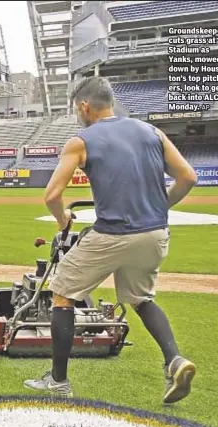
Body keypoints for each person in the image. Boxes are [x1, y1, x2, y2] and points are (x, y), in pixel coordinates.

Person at [24, 77, 198, 403]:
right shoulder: (152, 133)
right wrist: (160, 205)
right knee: (141, 299)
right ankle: (174, 360)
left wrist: (63, 220)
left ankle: (58, 380)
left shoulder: (81, 140)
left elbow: (52, 195)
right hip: (155, 232)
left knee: (62, 293)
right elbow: (188, 177)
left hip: (113, 233)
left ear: (84, 106)